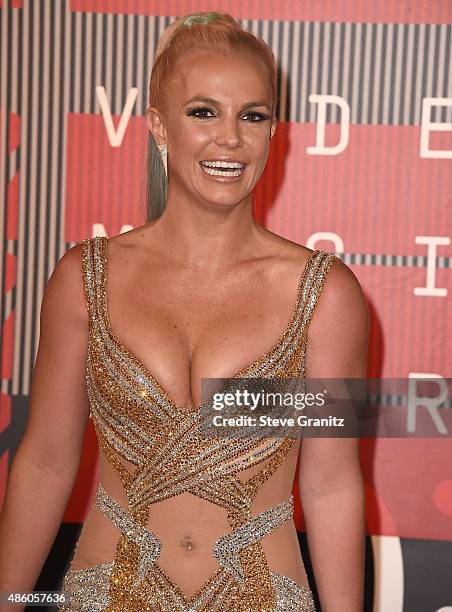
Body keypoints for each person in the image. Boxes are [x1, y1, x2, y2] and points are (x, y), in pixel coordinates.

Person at [0, 11, 369, 612]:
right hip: (105, 597)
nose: (230, 137)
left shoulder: (326, 295)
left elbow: (331, 484)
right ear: (159, 126)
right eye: (204, 112)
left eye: (253, 115)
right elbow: (45, 460)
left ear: (273, 132)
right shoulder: (83, 279)